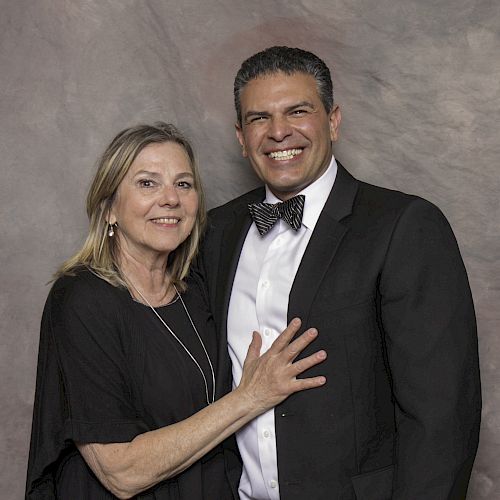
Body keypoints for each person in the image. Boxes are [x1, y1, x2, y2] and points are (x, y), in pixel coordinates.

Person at [199, 47, 482, 499]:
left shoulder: (403, 226)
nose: (278, 132)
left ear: (333, 120)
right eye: (259, 118)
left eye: (298, 111)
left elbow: (442, 419)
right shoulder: (215, 232)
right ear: (240, 135)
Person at [25, 122, 328, 499]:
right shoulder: (82, 299)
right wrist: (251, 397)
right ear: (109, 209)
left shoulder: (198, 291)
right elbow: (121, 472)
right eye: (147, 183)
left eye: (183, 184)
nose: (170, 199)